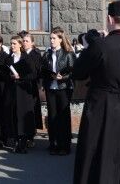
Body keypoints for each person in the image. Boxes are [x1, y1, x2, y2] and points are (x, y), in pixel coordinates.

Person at [73, 1, 120, 184]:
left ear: (109, 19)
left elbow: (78, 72)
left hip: (103, 107)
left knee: (100, 157)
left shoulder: (101, 45)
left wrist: (88, 48)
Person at [4, 35, 41, 154]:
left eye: (14, 43)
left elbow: (34, 74)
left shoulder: (26, 58)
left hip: (24, 91)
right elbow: (4, 74)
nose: (12, 46)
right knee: (13, 115)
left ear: (20, 45)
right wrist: (10, 76)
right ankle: (15, 141)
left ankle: (23, 142)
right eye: (11, 44)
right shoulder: (9, 58)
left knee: (23, 116)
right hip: (12, 90)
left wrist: (21, 77)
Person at [42, 26, 75, 155]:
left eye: (54, 38)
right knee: (52, 116)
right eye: (50, 38)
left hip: (64, 88)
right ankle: (53, 144)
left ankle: (65, 145)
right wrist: (49, 75)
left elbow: (73, 71)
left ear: (60, 39)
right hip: (51, 88)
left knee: (63, 117)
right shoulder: (47, 54)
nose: (51, 41)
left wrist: (63, 77)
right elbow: (43, 70)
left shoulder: (68, 54)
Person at [21, 33, 44, 148]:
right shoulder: (21, 54)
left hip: (31, 86)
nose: (24, 43)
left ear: (32, 43)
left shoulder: (36, 55)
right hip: (21, 86)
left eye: (26, 41)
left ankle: (30, 136)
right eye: (23, 41)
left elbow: (37, 72)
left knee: (31, 110)